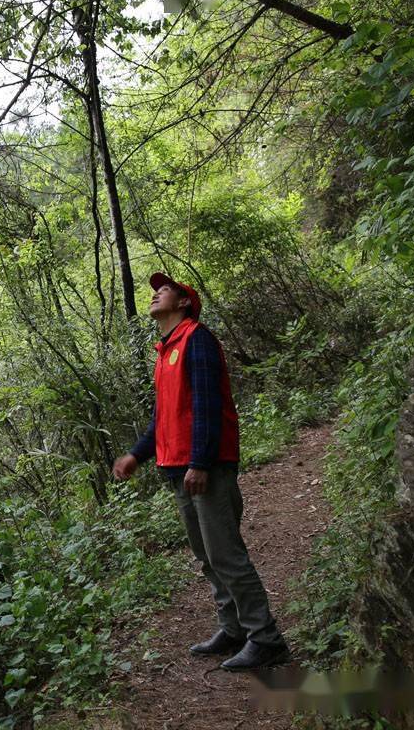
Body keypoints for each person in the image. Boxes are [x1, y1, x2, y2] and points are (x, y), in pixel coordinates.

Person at [112, 272, 289, 671]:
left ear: (185, 302)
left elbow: (208, 405)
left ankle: (266, 637)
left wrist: (201, 462)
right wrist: (135, 456)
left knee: (225, 553)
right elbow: (163, 418)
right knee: (206, 555)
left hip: (205, 467)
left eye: (166, 289)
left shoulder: (197, 339)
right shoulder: (165, 351)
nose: (157, 293)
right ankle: (233, 628)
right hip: (177, 468)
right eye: (156, 289)